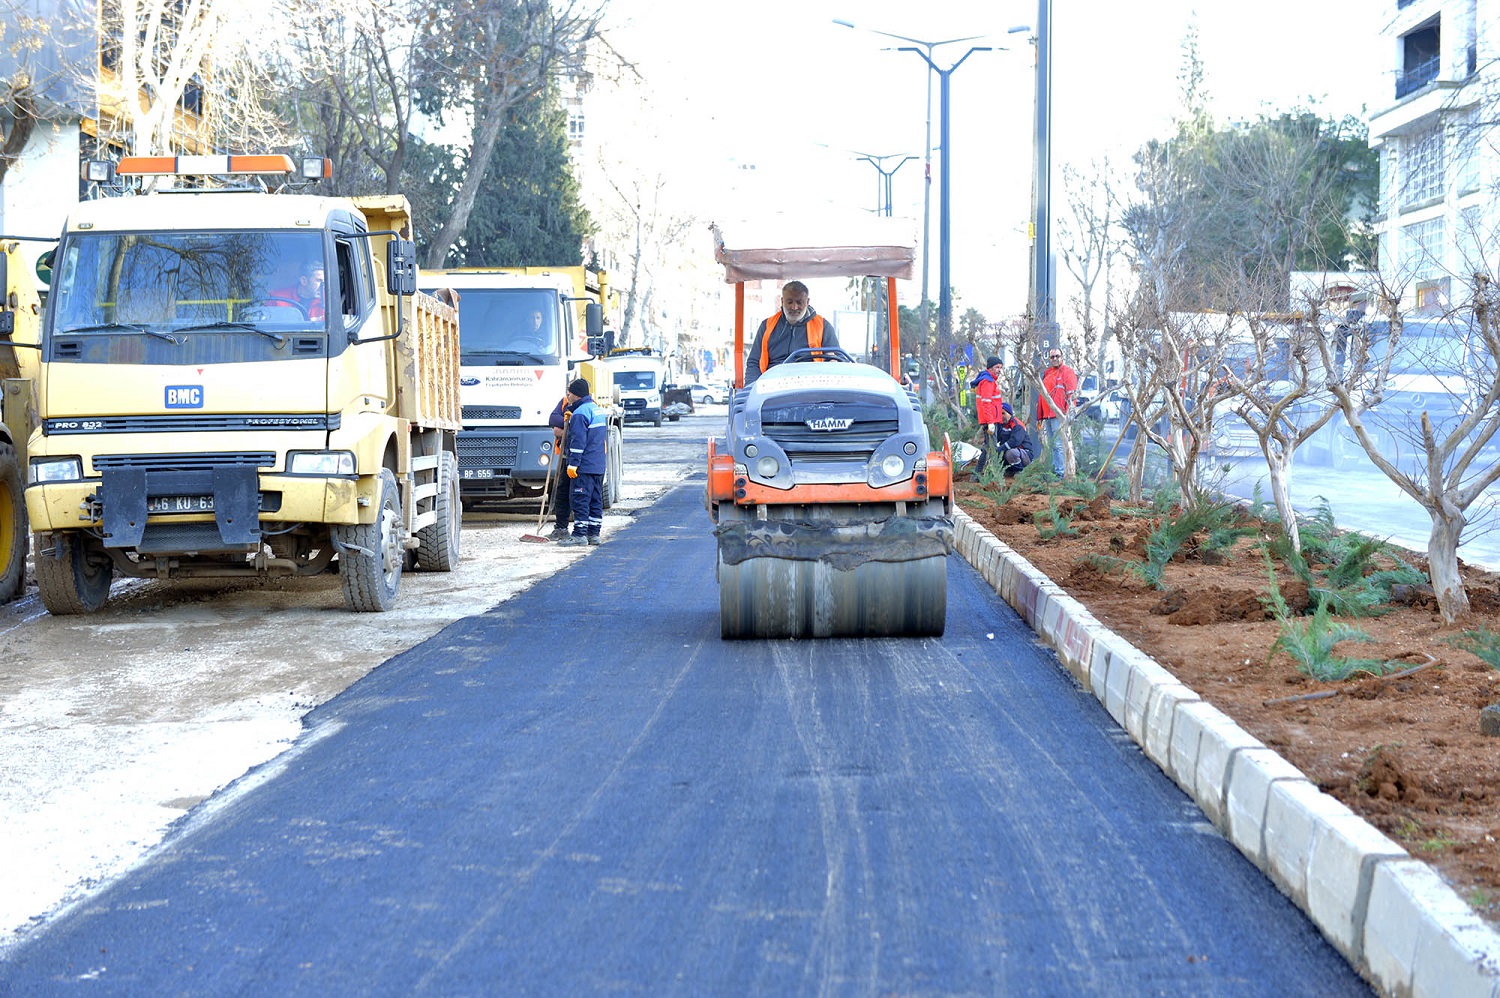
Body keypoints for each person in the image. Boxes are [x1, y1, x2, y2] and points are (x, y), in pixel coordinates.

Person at [744, 281, 840, 385]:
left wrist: (833, 362)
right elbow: (754, 363)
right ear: (782, 301)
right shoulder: (767, 326)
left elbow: (838, 360)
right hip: (772, 385)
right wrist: (752, 389)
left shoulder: (823, 326)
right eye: (790, 302)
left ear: (807, 302)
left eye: (799, 302)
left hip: (811, 385)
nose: (794, 307)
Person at [558, 377, 608, 547]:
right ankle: (594, 534)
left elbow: (578, 442)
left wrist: (573, 464)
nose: (568, 396)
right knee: (595, 500)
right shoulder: (597, 410)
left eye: (569, 393)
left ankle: (579, 535)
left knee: (580, 498)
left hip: (584, 466)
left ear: (577, 395)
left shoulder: (580, 414)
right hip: (598, 465)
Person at [1037, 346, 1079, 476]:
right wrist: (1040, 416)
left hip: (1059, 415)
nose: (1055, 359)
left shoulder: (1068, 372)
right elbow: (1042, 396)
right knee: (1054, 445)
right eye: (1052, 357)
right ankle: (1058, 471)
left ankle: (1060, 473)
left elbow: (1072, 395)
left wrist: (1067, 415)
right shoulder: (1048, 373)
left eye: (1057, 356)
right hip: (1048, 415)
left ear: (1062, 357)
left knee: (1058, 445)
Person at [968, 356, 1006, 474]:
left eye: (1000, 367)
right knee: (993, 449)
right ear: (990, 368)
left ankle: (977, 474)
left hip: (990, 420)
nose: (999, 370)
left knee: (987, 447)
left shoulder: (988, 380)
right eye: (997, 367)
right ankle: (995, 475)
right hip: (990, 420)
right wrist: (990, 422)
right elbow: (986, 403)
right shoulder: (988, 382)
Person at [546, 393, 574, 540]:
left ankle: (584, 531)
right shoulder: (564, 402)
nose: (568, 394)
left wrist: (563, 430)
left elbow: (580, 428)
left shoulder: (587, 407)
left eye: (571, 392)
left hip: (582, 458)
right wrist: (565, 422)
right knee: (561, 491)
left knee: (579, 493)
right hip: (566, 456)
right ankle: (561, 528)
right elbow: (552, 419)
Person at [995, 402, 1037, 477]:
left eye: (1003, 413)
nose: (1001, 416)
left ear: (1010, 414)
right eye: (999, 414)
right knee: (998, 452)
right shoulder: (1001, 425)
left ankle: (1020, 470)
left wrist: (1000, 449)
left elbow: (1015, 442)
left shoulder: (1017, 425)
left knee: (1010, 453)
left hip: (1025, 453)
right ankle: (1010, 470)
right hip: (1011, 452)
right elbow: (997, 438)